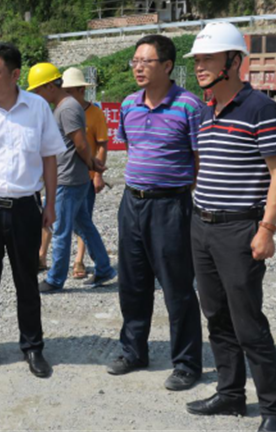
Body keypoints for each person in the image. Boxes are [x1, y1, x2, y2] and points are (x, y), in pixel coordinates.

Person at [184, 22, 276, 432]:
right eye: (197, 59)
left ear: (233, 61)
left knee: (248, 323)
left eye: (208, 59)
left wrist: (267, 229)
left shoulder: (259, 108)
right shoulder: (205, 110)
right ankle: (230, 394)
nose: (200, 66)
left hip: (239, 230)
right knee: (216, 316)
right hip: (202, 226)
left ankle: (274, 412)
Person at [0, 43, 65, 378]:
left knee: (27, 283)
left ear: (15, 74)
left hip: (24, 208)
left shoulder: (37, 108)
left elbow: (49, 158)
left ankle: (32, 348)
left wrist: (50, 203)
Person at [107, 35, 204, 392]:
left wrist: (179, 193)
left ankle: (187, 364)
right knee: (132, 283)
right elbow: (133, 148)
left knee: (177, 288)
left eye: (146, 61)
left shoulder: (189, 106)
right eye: (135, 61)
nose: (138, 67)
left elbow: (200, 159)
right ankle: (133, 351)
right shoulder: (129, 104)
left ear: (167, 66)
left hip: (170, 206)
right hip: (132, 203)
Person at [27, 62, 117, 292]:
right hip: (73, 177)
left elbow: (81, 143)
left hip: (67, 179)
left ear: (50, 86)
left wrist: (92, 165)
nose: (37, 95)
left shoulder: (66, 108)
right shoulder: (66, 106)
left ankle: (55, 279)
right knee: (84, 226)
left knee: (61, 230)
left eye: (38, 90)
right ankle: (104, 268)